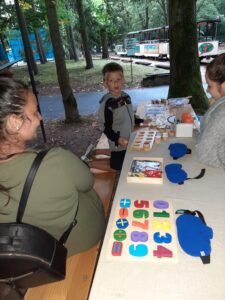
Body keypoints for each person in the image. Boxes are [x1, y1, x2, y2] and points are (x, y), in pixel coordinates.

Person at [0, 77, 105, 256]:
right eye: (34, 113)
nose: (40, 118)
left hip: (34, 251)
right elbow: (88, 182)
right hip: (77, 243)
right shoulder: (55, 161)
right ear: (13, 122)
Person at [89, 62, 143, 172]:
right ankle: (89, 164)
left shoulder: (126, 97)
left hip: (127, 138)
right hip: (118, 142)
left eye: (118, 79)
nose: (116, 83)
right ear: (105, 83)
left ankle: (101, 153)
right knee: (119, 167)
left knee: (127, 157)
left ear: (123, 80)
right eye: (111, 80)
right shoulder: (108, 103)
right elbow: (106, 128)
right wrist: (118, 139)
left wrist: (141, 121)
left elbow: (130, 115)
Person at [196, 53, 225, 169]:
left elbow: (205, 153)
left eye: (209, 86)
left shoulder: (222, 112)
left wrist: (213, 109)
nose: (207, 90)